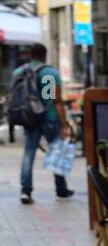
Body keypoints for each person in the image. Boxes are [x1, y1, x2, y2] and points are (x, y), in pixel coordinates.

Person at [12, 45, 73, 204]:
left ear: (30, 55)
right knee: (56, 152)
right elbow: (54, 100)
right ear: (45, 55)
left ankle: (25, 191)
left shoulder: (19, 72)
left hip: (29, 119)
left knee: (28, 153)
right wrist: (64, 123)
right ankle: (61, 190)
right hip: (49, 119)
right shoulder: (49, 74)